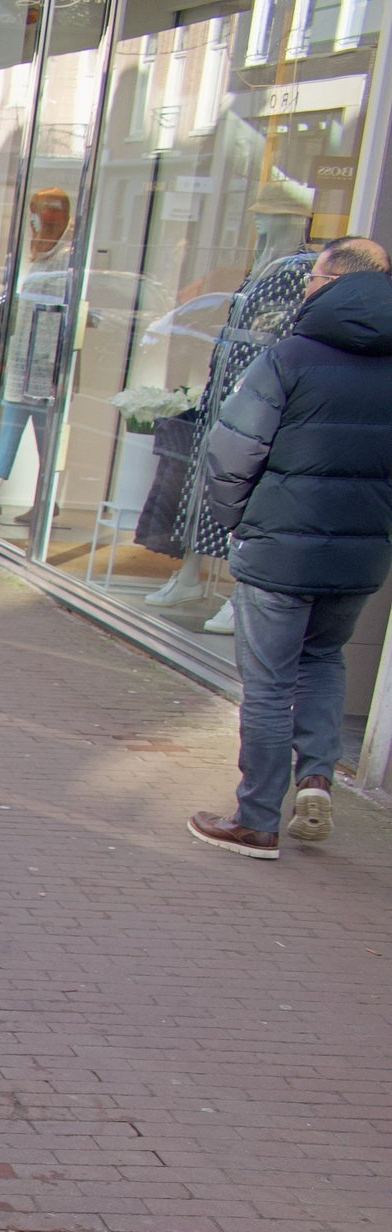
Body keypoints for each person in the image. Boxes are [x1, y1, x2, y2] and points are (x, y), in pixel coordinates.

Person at [186, 235, 392, 858]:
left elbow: (231, 450)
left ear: (331, 283)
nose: (303, 288)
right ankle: (317, 779)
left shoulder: (290, 357)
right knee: (326, 660)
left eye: (311, 279)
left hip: (279, 551)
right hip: (361, 555)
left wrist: (235, 522)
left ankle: (255, 820)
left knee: (271, 684)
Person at [0, 186, 74, 524]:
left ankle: (41, 501)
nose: (32, 221)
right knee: (10, 431)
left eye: (36, 213)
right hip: (25, 362)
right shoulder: (43, 254)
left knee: (43, 439)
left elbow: (57, 315)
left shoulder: (65, 257)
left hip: (44, 366)